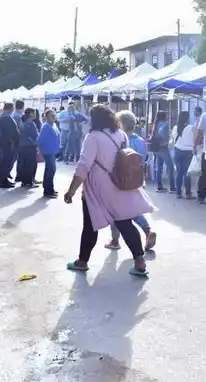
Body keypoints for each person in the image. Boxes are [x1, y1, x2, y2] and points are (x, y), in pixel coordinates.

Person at [63, 104, 153, 276]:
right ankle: (140, 262)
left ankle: (82, 261)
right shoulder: (121, 134)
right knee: (125, 223)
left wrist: (71, 190)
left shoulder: (93, 137)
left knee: (90, 225)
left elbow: (83, 166)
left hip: (99, 187)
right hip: (120, 183)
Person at [105, 111, 157, 251]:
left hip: (122, 181)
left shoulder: (120, 140)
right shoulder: (141, 141)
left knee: (116, 211)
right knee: (133, 209)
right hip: (137, 179)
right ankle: (148, 231)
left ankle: (115, 240)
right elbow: (144, 159)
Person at [0, 102, 20, 189]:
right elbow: (9, 132)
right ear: (11, 108)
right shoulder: (6, 117)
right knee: (7, 162)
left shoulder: (0, 116)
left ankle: (4, 179)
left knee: (4, 162)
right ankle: (3, 181)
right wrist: (12, 143)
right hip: (8, 143)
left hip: (3, 142)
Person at [172, 110, 196, 199]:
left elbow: (173, 139)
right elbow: (195, 139)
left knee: (179, 173)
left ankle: (178, 193)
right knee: (187, 173)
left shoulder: (175, 127)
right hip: (188, 152)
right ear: (187, 118)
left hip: (177, 151)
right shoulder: (191, 127)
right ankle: (188, 193)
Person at [37, 109, 61, 198]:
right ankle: (48, 191)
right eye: (52, 116)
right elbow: (39, 140)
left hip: (52, 151)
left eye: (54, 115)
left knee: (49, 170)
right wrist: (40, 149)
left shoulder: (53, 125)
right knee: (51, 170)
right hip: (48, 151)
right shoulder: (46, 127)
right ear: (47, 117)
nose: (54, 117)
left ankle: (49, 188)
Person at [151, 111, 175, 193]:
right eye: (167, 115)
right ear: (164, 116)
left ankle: (159, 186)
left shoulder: (155, 124)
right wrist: (166, 140)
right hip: (163, 148)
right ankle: (172, 187)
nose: (168, 116)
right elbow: (163, 134)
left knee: (159, 168)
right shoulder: (165, 124)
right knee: (171, 167)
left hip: (156, 148)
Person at [17, 108, 40, 188]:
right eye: (34, 113)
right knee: (30, 165)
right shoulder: (31, 123)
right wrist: (36, 145)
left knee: (25, 165)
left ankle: (26, 181)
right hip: (29, 146)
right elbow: (34, 136)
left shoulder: (24, 123)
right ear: (30, 114)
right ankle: (29, 182)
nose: (35, 115)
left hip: (23, 146)